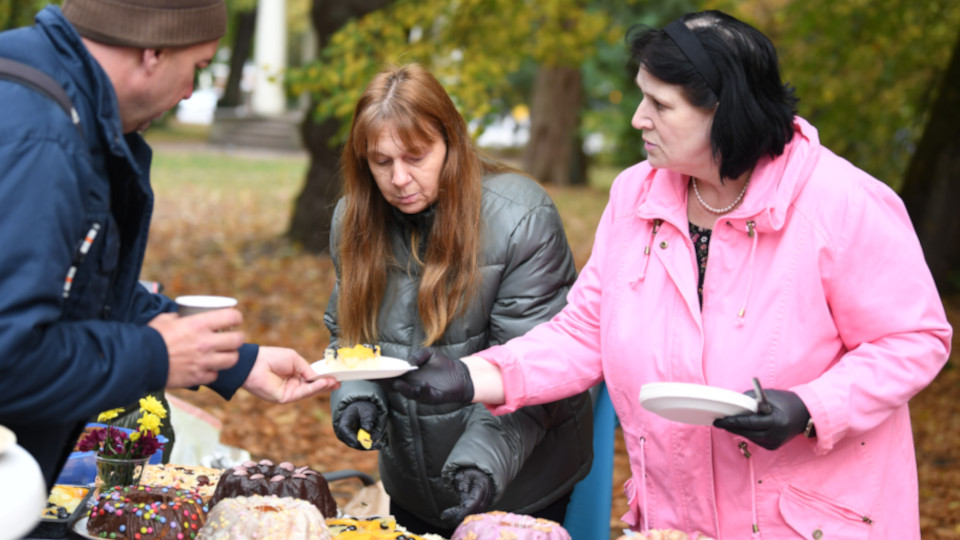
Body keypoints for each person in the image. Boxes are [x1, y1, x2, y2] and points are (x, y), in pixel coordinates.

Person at [390, 11, 953, 539]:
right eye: (642, 97)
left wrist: (811, 407)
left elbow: (913, 339)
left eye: (660, 104)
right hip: (674, 518)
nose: (639, 117)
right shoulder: (635, 194)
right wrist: (472, 376)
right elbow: (586, 331)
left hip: (808, 521)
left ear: (726, 112)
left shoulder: (843, 203)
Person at [0, 0, 339, 490]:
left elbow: (83, 292)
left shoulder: (58, 106)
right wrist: (152, 355)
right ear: (154, 50)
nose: (188, 92)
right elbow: (10, 355)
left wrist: (236, 362)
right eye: (197, 66)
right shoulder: (41, 139)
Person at [325, 63, 593, 536]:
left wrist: (481, 464)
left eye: (415, 157)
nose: (399, 179)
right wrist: (357, 391)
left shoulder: (520, 218)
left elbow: (536, 366)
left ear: (450, 141)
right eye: (381, 162)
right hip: (411, 482)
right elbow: (349, 333)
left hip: (521, 479)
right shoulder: (354, 219)